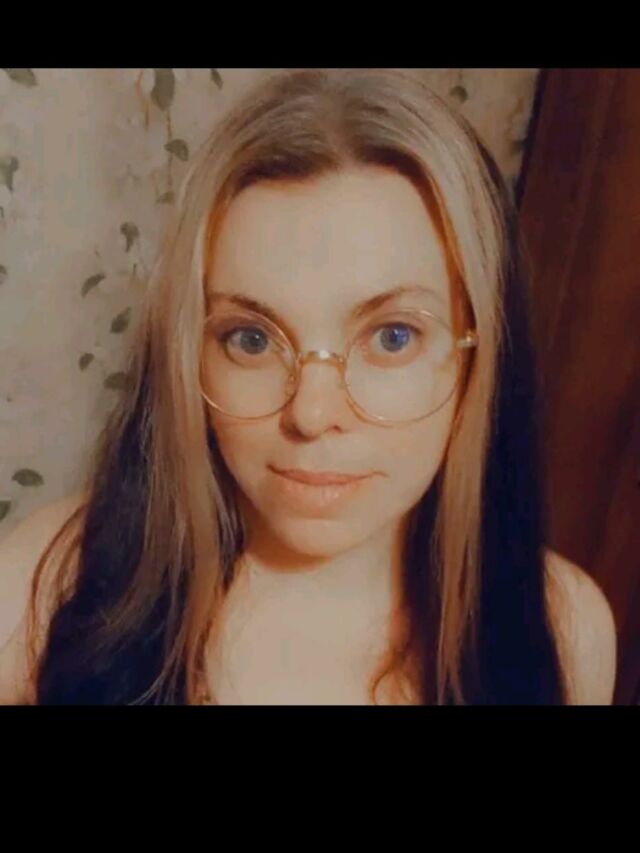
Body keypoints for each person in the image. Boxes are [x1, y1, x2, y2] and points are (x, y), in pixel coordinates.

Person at [0, 68, 617, 705]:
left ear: (478, 354)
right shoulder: (45, 587)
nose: (313, 414)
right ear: (192, 355)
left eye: (393, 337)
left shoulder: (564, 629)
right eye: (251, 339)